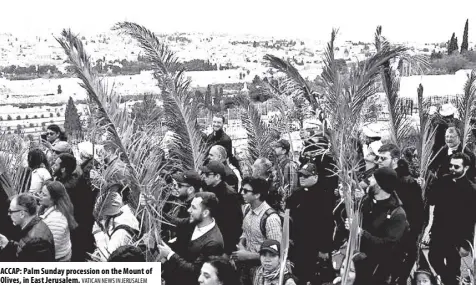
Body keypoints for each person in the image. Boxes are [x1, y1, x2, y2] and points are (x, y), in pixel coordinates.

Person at [348, 167, 409, 285]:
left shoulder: (397, 214)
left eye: (373, 178)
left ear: (380, 185)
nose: (369, 180)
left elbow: (388, 245)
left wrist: (361, 233)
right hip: (357, 262)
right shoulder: (367, 200)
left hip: (378, 271)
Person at [423, 152, 476, 285]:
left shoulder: (471, 190)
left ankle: (451, 281)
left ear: (466, 168)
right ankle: (449, 281)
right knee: (433, 258)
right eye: (450, 165)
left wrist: (466, 243)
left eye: (456, 167)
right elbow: (431, 201)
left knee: (453, 266)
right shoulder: (442, 180)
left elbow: (471, 219)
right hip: (439, 231)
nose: (452, 168)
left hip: (457, 236)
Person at [377, 144, 424, 284]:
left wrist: (409, 236)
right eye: (378, 157)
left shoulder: (406, 182)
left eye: (383, 158)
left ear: (395, 160)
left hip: (401, 241)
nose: (379, 161)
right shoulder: (383, 178)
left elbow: (418, 213)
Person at [158, 192, 224, 285]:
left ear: (205, 213)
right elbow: (173, 222)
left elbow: (196, 271)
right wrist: (154, 207)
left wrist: (170, 254)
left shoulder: (213, 242)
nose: (189, 210)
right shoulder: (194, 222)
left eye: (193, 207)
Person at [287, 163, 335, 285]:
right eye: (300, 175)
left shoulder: (324, 195)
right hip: (298, 244)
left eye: (306, 176)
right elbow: (289, 217)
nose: (301, 178)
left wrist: (324, 249)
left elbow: (327, 224)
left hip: (315, 245)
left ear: (315, 177)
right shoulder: (296, 194)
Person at [234, 177, 282, 285]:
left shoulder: (271, 219)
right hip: (246, 269)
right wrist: (241, 244)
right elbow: (245, 232)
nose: (242, 193)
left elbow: (276, 251)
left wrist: (248, 255)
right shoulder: (247, 209)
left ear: (257, 195)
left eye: (246, 191)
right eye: (242, 190)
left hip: (263, 272)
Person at [200, 161, 243, 257]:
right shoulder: (208, 188)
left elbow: (234, 226)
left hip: (222, 245)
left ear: (217, 177)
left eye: (207, 174)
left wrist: (227, 251)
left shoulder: (229, 195)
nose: (204, 176)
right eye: (203, 174)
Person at [0, 193, 55, 261]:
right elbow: (26, 249)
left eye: (11, 211)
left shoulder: (36, 241)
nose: (8, 214)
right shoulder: (36, 225)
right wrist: (8, 244)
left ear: (22, 214)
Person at [92, 192, 140, 261]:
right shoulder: (127, 214)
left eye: (101, 218)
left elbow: (107, 260)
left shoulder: (119, 235)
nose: (101, 222)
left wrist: (99, 235)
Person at [39, 181, 78, 261]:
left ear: (53, 199)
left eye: (44, 195)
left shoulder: (57, 220)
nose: (40, 196)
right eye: (41, 192)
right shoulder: (50, 208)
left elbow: (51, 248)